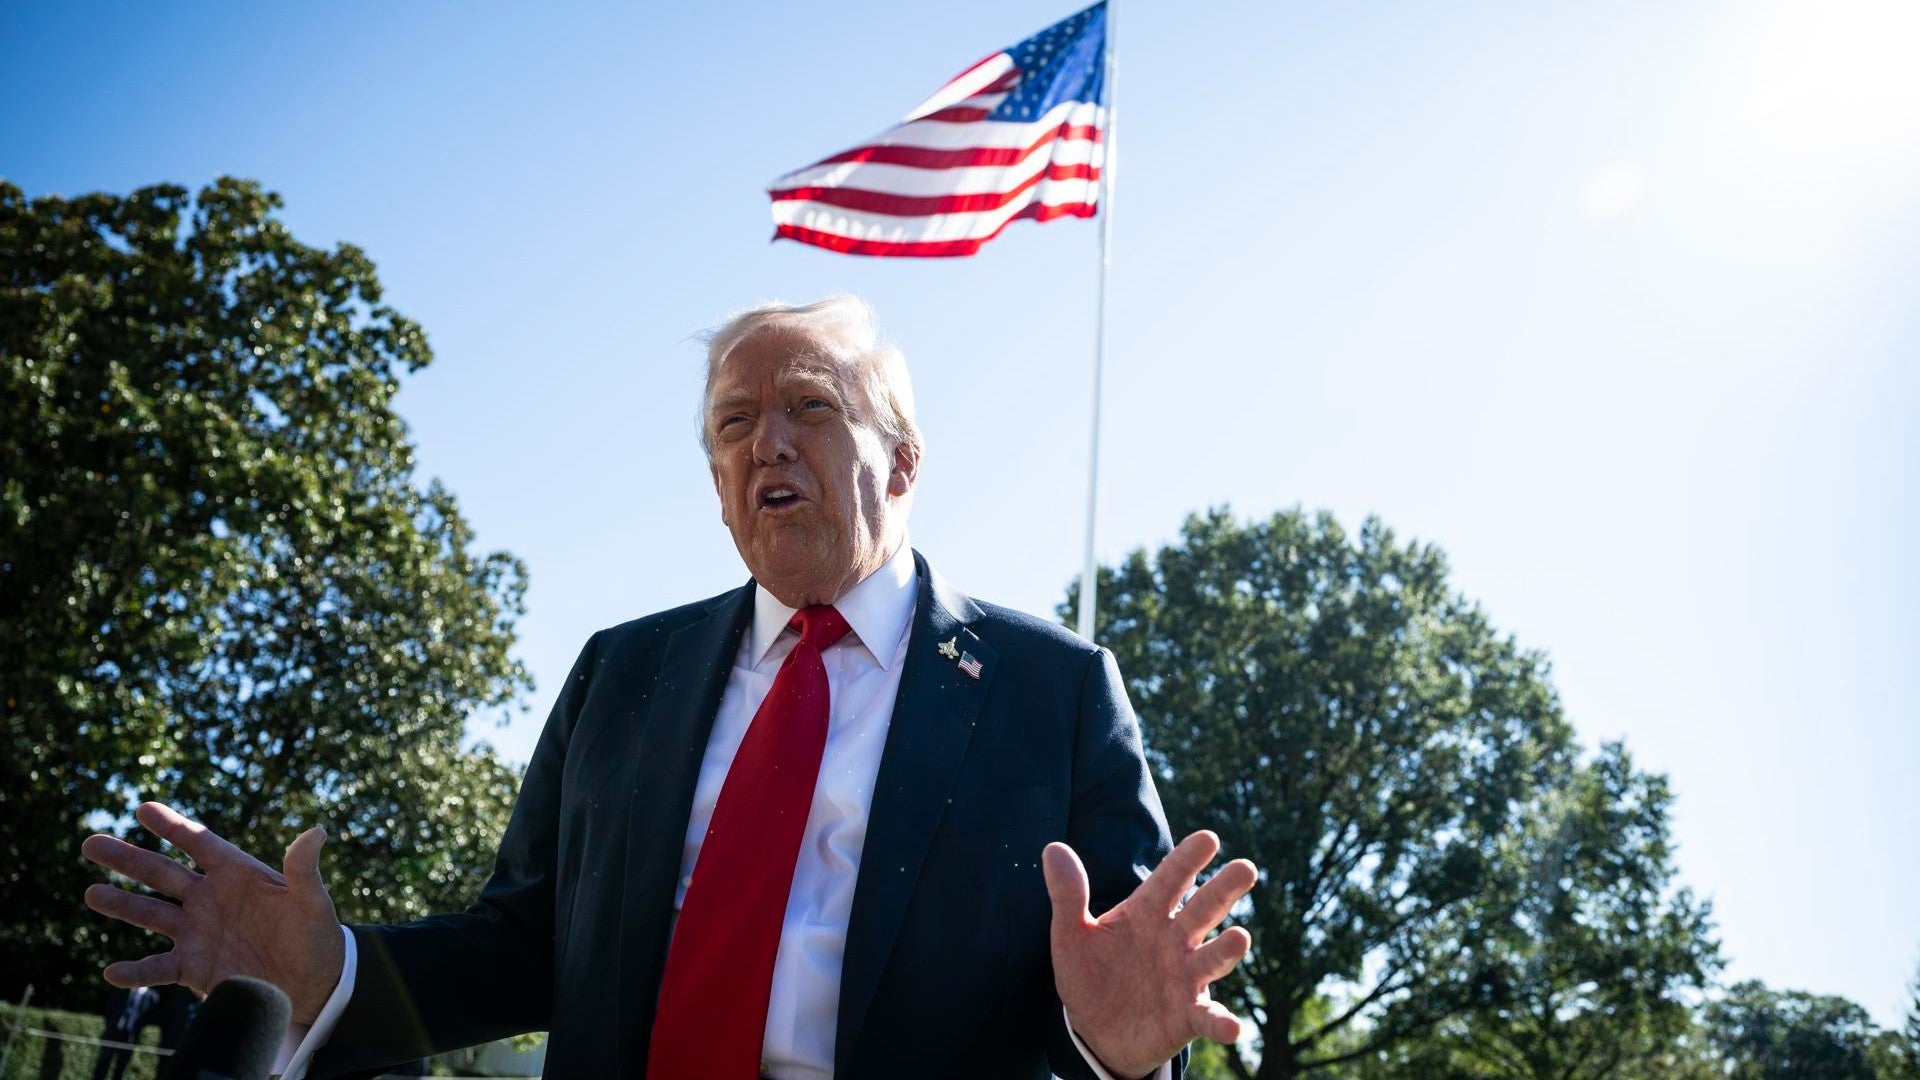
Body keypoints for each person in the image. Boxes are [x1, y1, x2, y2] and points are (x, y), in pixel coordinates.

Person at [81, 297, 1258, 1080]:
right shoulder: (620, 673)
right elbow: (524, 947)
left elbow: (1122, 975)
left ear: (901, 462)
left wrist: (1117, 1048)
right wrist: (330, 972)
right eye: (733, 424)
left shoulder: (1050, 689)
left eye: (808, 406)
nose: (766, 446)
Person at [89, 984, 153, 1080]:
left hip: (130, 1037)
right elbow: (110, 1009)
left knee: (121, 1068)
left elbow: (148, 1018)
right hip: (113, 1033)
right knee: (103, 1064)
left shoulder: (152, 997)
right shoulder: (122, 990)